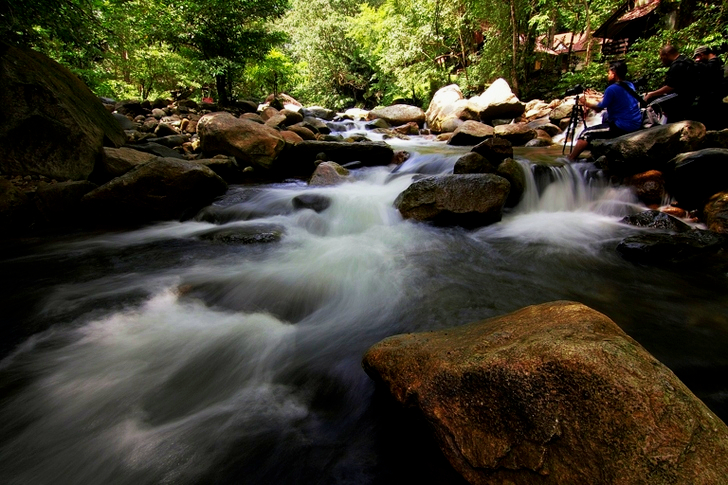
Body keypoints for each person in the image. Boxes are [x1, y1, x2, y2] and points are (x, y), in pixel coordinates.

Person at [567, 60, 643, 161]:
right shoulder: (629, 85)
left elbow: (599, 108)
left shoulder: (611, 89)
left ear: (613, 73)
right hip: (636, 123)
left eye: (608, 73)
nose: (608, 75)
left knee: (586, 133)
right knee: (605, 116)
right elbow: (611, 101)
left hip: (623, 126)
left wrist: (585, 102)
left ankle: (571, 158)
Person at [643, 45, 696, 122]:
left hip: (681, 97)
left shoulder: (677, 65)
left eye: (662, 58)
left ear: (666, 55)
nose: (662, 61)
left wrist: (651, 94)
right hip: (690, 95)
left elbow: (670, 87)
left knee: (653, 102)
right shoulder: (687, 60)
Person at [693, 45, 725, 129]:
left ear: (702, 54)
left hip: (712, 97)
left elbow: (709, 73)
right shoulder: (716, 63)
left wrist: (696, 65)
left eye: (698, 56)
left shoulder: (714, 63)